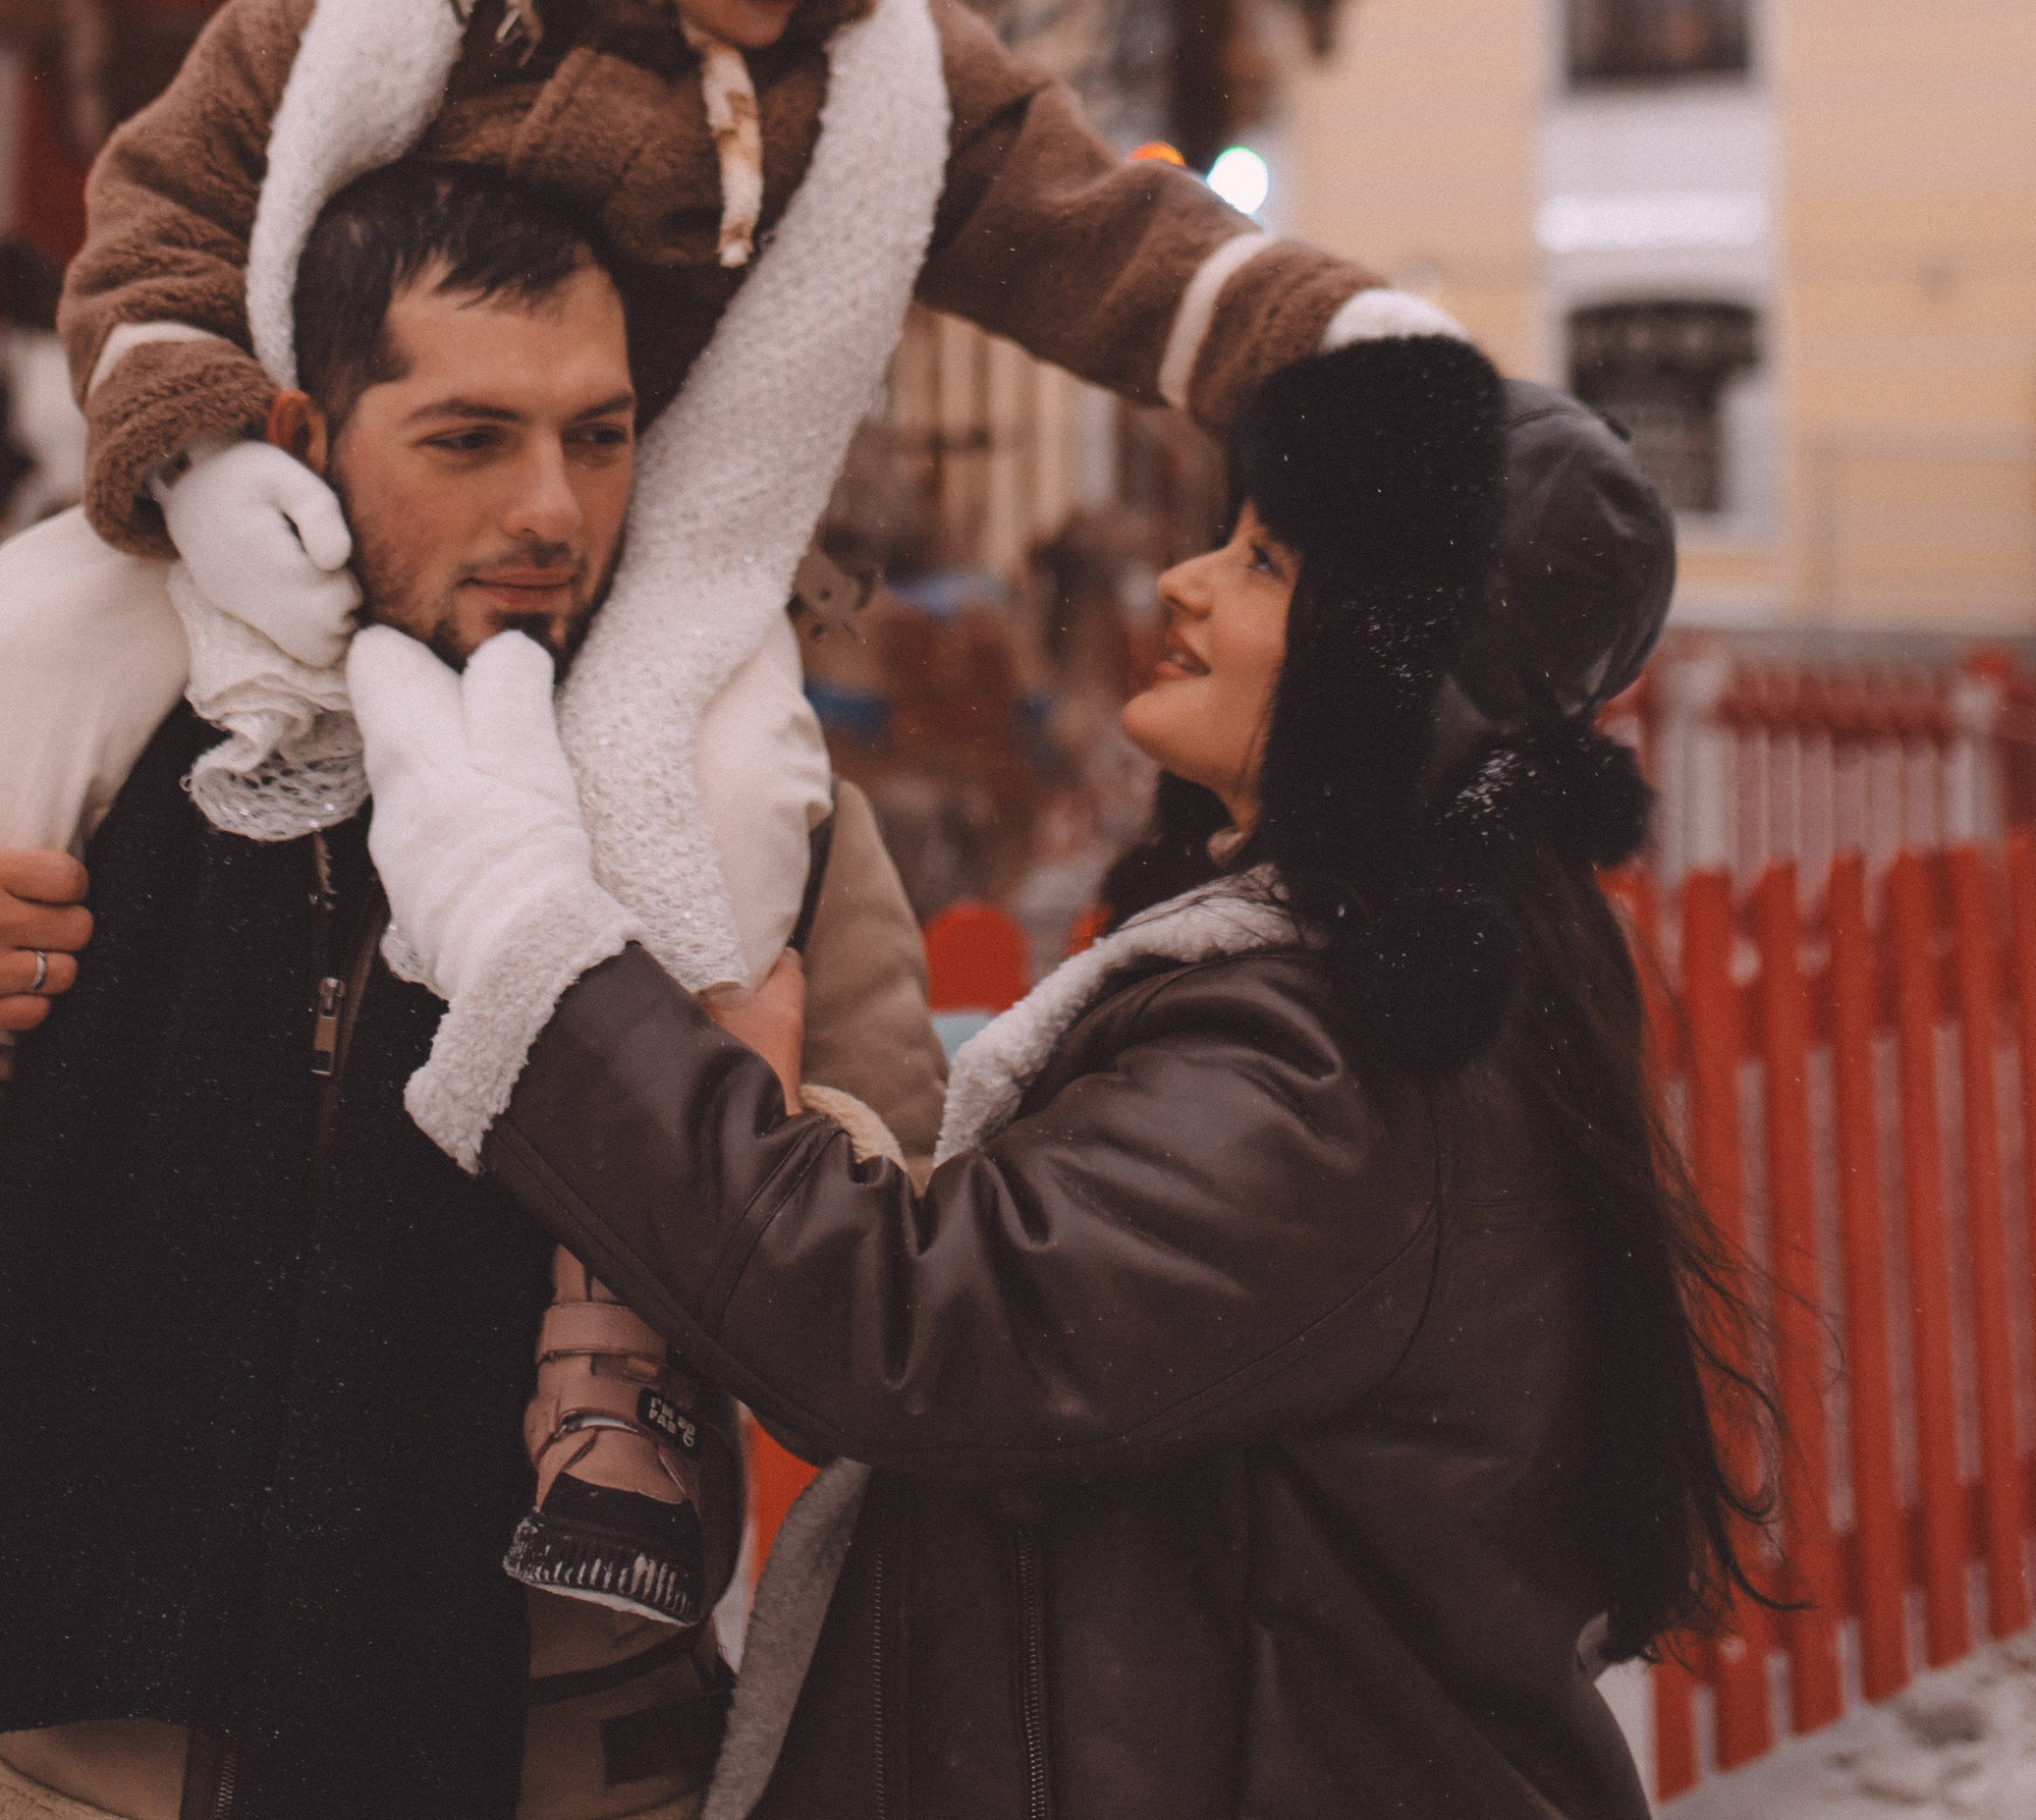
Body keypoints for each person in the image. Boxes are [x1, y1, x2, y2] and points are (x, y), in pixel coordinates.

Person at [0, 0, 1429, 1627]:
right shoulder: (372, 9)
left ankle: (611, 1343)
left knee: (725, 785)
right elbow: (165, 208)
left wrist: (1364, 350)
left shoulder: (869, 78)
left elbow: (1096, 235)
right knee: (38, 613)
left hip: (526, 1700)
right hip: (98, 1672)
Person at [347, 334, 1770, 1820]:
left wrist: (526, 936)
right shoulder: (1396, 999)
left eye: (1269, 564)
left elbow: (913, 1325)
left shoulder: (1333, 1073)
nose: (1184, 582)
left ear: (1393, 661)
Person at [0, 167, 910, 1820]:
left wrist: (745, 1140)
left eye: (596, 438)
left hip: (545, 1750)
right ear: (305, 440)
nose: (551, 510)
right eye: (470, 440)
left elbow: (904, 1292)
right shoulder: (113, 737)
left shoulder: (734, 800)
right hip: (72, 1749)